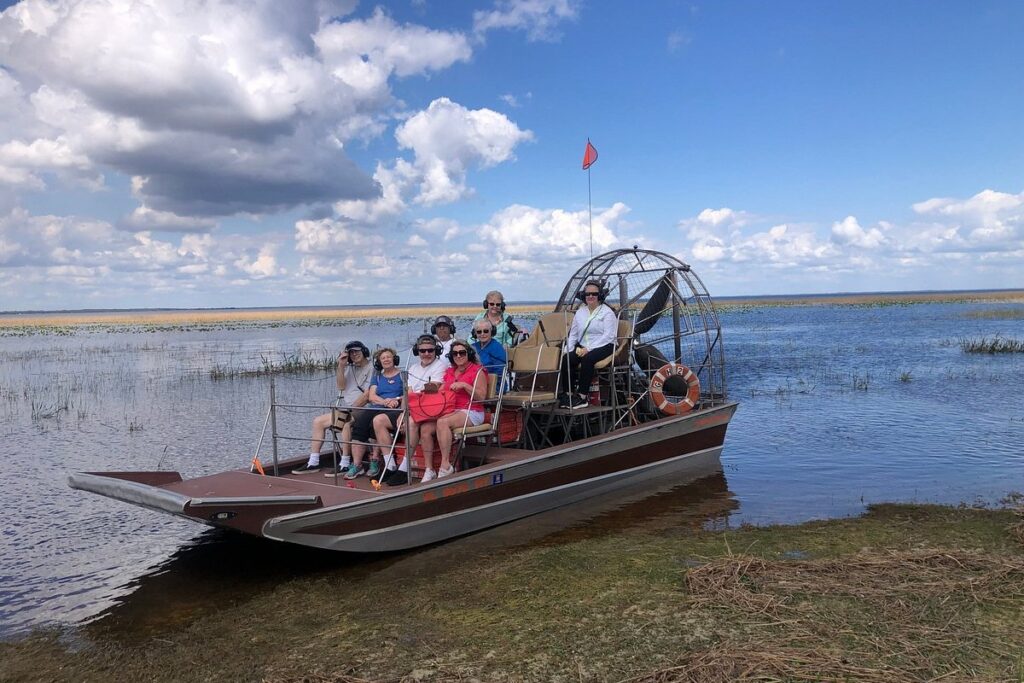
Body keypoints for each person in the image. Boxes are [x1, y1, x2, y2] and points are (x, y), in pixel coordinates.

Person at [292, 340, 372, 475]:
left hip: (366, 409)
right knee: (318, 421)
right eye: (351, 353)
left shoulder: (372, 368)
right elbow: (341, 386)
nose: (354, 355)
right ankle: (313, 462)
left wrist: (350, 409)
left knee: (344, 421)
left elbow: (367, 395)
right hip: (349, 409)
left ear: (364, 351)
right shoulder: (350, 369)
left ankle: (345, 462)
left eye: (357, 351)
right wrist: (341, 366)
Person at [383, 335, 447, 486]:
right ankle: (389, 465)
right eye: (422, 350)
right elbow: (408, 393)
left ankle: (404, 469)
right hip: (413, 408)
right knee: (378, 420)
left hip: (430, 409)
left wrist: (409, 412)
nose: (426, 353)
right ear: (417, 351)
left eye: (430, 350)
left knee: (411, 422)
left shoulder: (440, 366)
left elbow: (431, 391)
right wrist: (403, 412)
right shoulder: (413, 368)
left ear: (436, 350)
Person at [427, 340, 488, 482]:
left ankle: (445, 465)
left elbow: (481, 397)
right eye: (455, 353)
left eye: (462, 352)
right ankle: (428, 469)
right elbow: (441, 391)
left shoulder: (478, 371)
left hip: (472, 410)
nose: (458, 356)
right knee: (425, 427)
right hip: (451, 409)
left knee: (442, 422)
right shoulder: (449, 372)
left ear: (469, 353)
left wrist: (465, 386)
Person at [346, 347, 403, 480]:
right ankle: (357, 465)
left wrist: (395, 400)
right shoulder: (377, 377)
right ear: (379, 362)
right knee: (359, 425)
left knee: (376, 424)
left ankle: (375, 460)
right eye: (383, 358)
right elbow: (372, 396)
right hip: (379, 405)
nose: (386, 360)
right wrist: (384, 402)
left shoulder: (402, 375)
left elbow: (407, 393)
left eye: (388, 357)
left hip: (394, 407)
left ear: (394, 359)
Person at [561, 280, 617, 410]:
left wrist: (589, 349)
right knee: (566, 360)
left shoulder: (607, 313)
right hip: (584, 346)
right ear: (584, 296)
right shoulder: (580, 312)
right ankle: (568, 394)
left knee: (588, 359)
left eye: (594, 294)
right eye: (588, 294)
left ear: (600, 296)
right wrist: (567, 350)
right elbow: (573, 334)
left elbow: (608, 336)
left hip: (605, 345)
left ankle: (582, 396)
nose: (590, 296)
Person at [471, 319, 508, 392]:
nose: (482, 334)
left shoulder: (497, 348)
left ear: (492, 332)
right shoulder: (472, 347)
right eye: (479, 332)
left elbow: (500, 373)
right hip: (474, 382)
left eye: (486, 331)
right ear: (475, 333)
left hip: (493, 384)